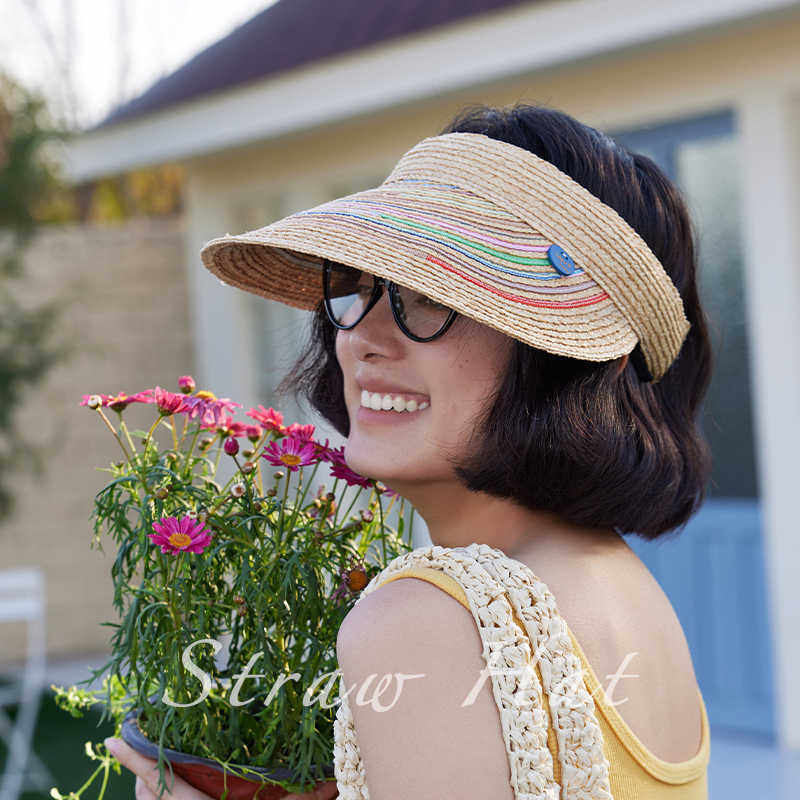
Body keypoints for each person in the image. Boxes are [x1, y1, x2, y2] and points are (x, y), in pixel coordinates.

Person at [116, 102, 714, 798]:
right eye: (359, 288)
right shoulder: (625, 588)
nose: (363, 337)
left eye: (428, 298)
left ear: (569, 358)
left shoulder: (433, 620)